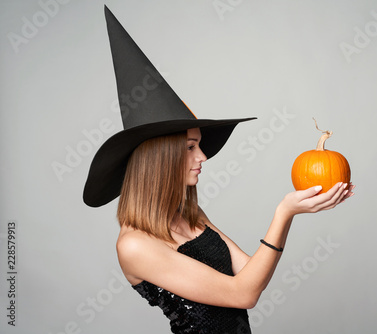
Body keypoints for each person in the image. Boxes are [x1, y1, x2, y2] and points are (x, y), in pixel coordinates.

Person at [83, 6, 355, 334]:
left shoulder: (190, 213)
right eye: (189, 148)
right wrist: (283, 213)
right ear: (159, 160)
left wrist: (293, 213)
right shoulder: (135, 245)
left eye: (198, 145)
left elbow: (249, 274)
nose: (203, 157)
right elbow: (244, 294)